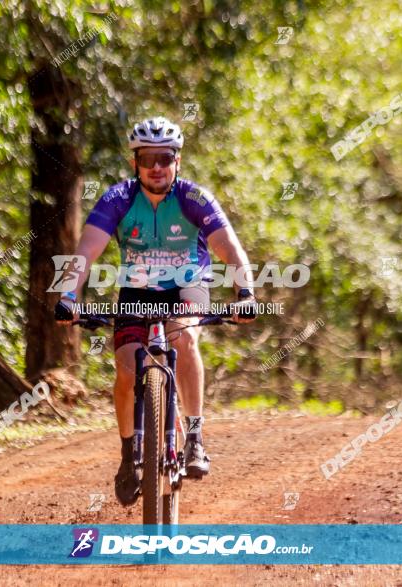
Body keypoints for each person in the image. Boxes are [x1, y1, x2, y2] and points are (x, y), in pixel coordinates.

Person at [54, 117, 257, 506]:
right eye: (148, 159)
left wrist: (245, 292)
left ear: (177, 160)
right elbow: (85, 253)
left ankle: (194, 437)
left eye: (164, 158)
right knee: (128, 370)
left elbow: (230, 249)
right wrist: (68, 296)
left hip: (187, 287)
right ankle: (129, 454)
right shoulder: (117, 200)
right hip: (138, 291)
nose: (157, 167)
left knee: (181, 334)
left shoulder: (195, 199)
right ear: (136, 162)